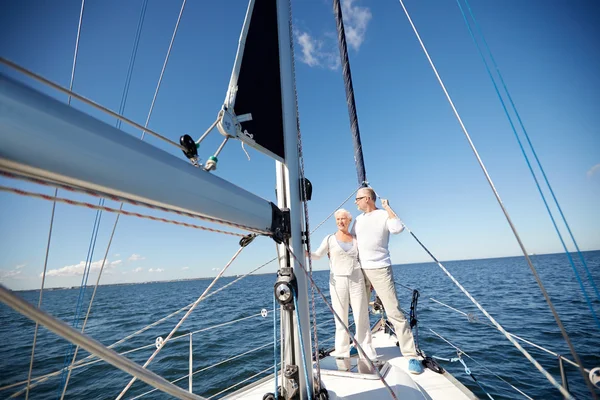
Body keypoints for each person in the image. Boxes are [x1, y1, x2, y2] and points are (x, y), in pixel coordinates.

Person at [351, 187, 424, 374]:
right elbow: (352, 241)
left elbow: (397, 228)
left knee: (394, 312)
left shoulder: (383, 215)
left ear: (367, 198)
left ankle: (411, 355)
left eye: (358, 198)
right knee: (360, 312)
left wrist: (388, 208)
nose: (355, 202)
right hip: (360, 269)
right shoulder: (358, 220)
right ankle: (360, 347)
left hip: (380, 268)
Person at [311, 208, 377, 361]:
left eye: (343, 219)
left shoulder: (356, 239)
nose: (340, 222)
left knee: (361, 317)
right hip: (337, 282)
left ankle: (366, 350)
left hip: (357, 279)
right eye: (338, 219)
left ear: (349, 221)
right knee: (340, 318)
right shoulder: (329, 239)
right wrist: (303, 252)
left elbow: (364, 259)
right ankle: (342, 353)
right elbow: (317, 255)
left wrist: (370, 281)